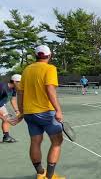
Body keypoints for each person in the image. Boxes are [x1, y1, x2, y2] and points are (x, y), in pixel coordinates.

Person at [16, 45, 65, 179]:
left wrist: (21, 111)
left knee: (35, 142)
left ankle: (40, 173)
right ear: (49, 56)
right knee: (57, 142)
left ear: (36, 55)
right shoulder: (50, 68)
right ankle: (50, 176)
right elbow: (50, 89)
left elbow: (20, 92)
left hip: (29, 114)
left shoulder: (26, 70)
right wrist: (58, 110)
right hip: (46, 113)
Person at [0, 74, 21, 143]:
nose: (22, 84)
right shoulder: (2, 87)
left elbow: (13, 99)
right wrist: (1, 116)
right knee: (5, 118)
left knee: (7, 119)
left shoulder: (14, 88)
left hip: (1, 105)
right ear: (15, 81)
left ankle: (6, 137)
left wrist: (17, 111)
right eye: (20, 82)